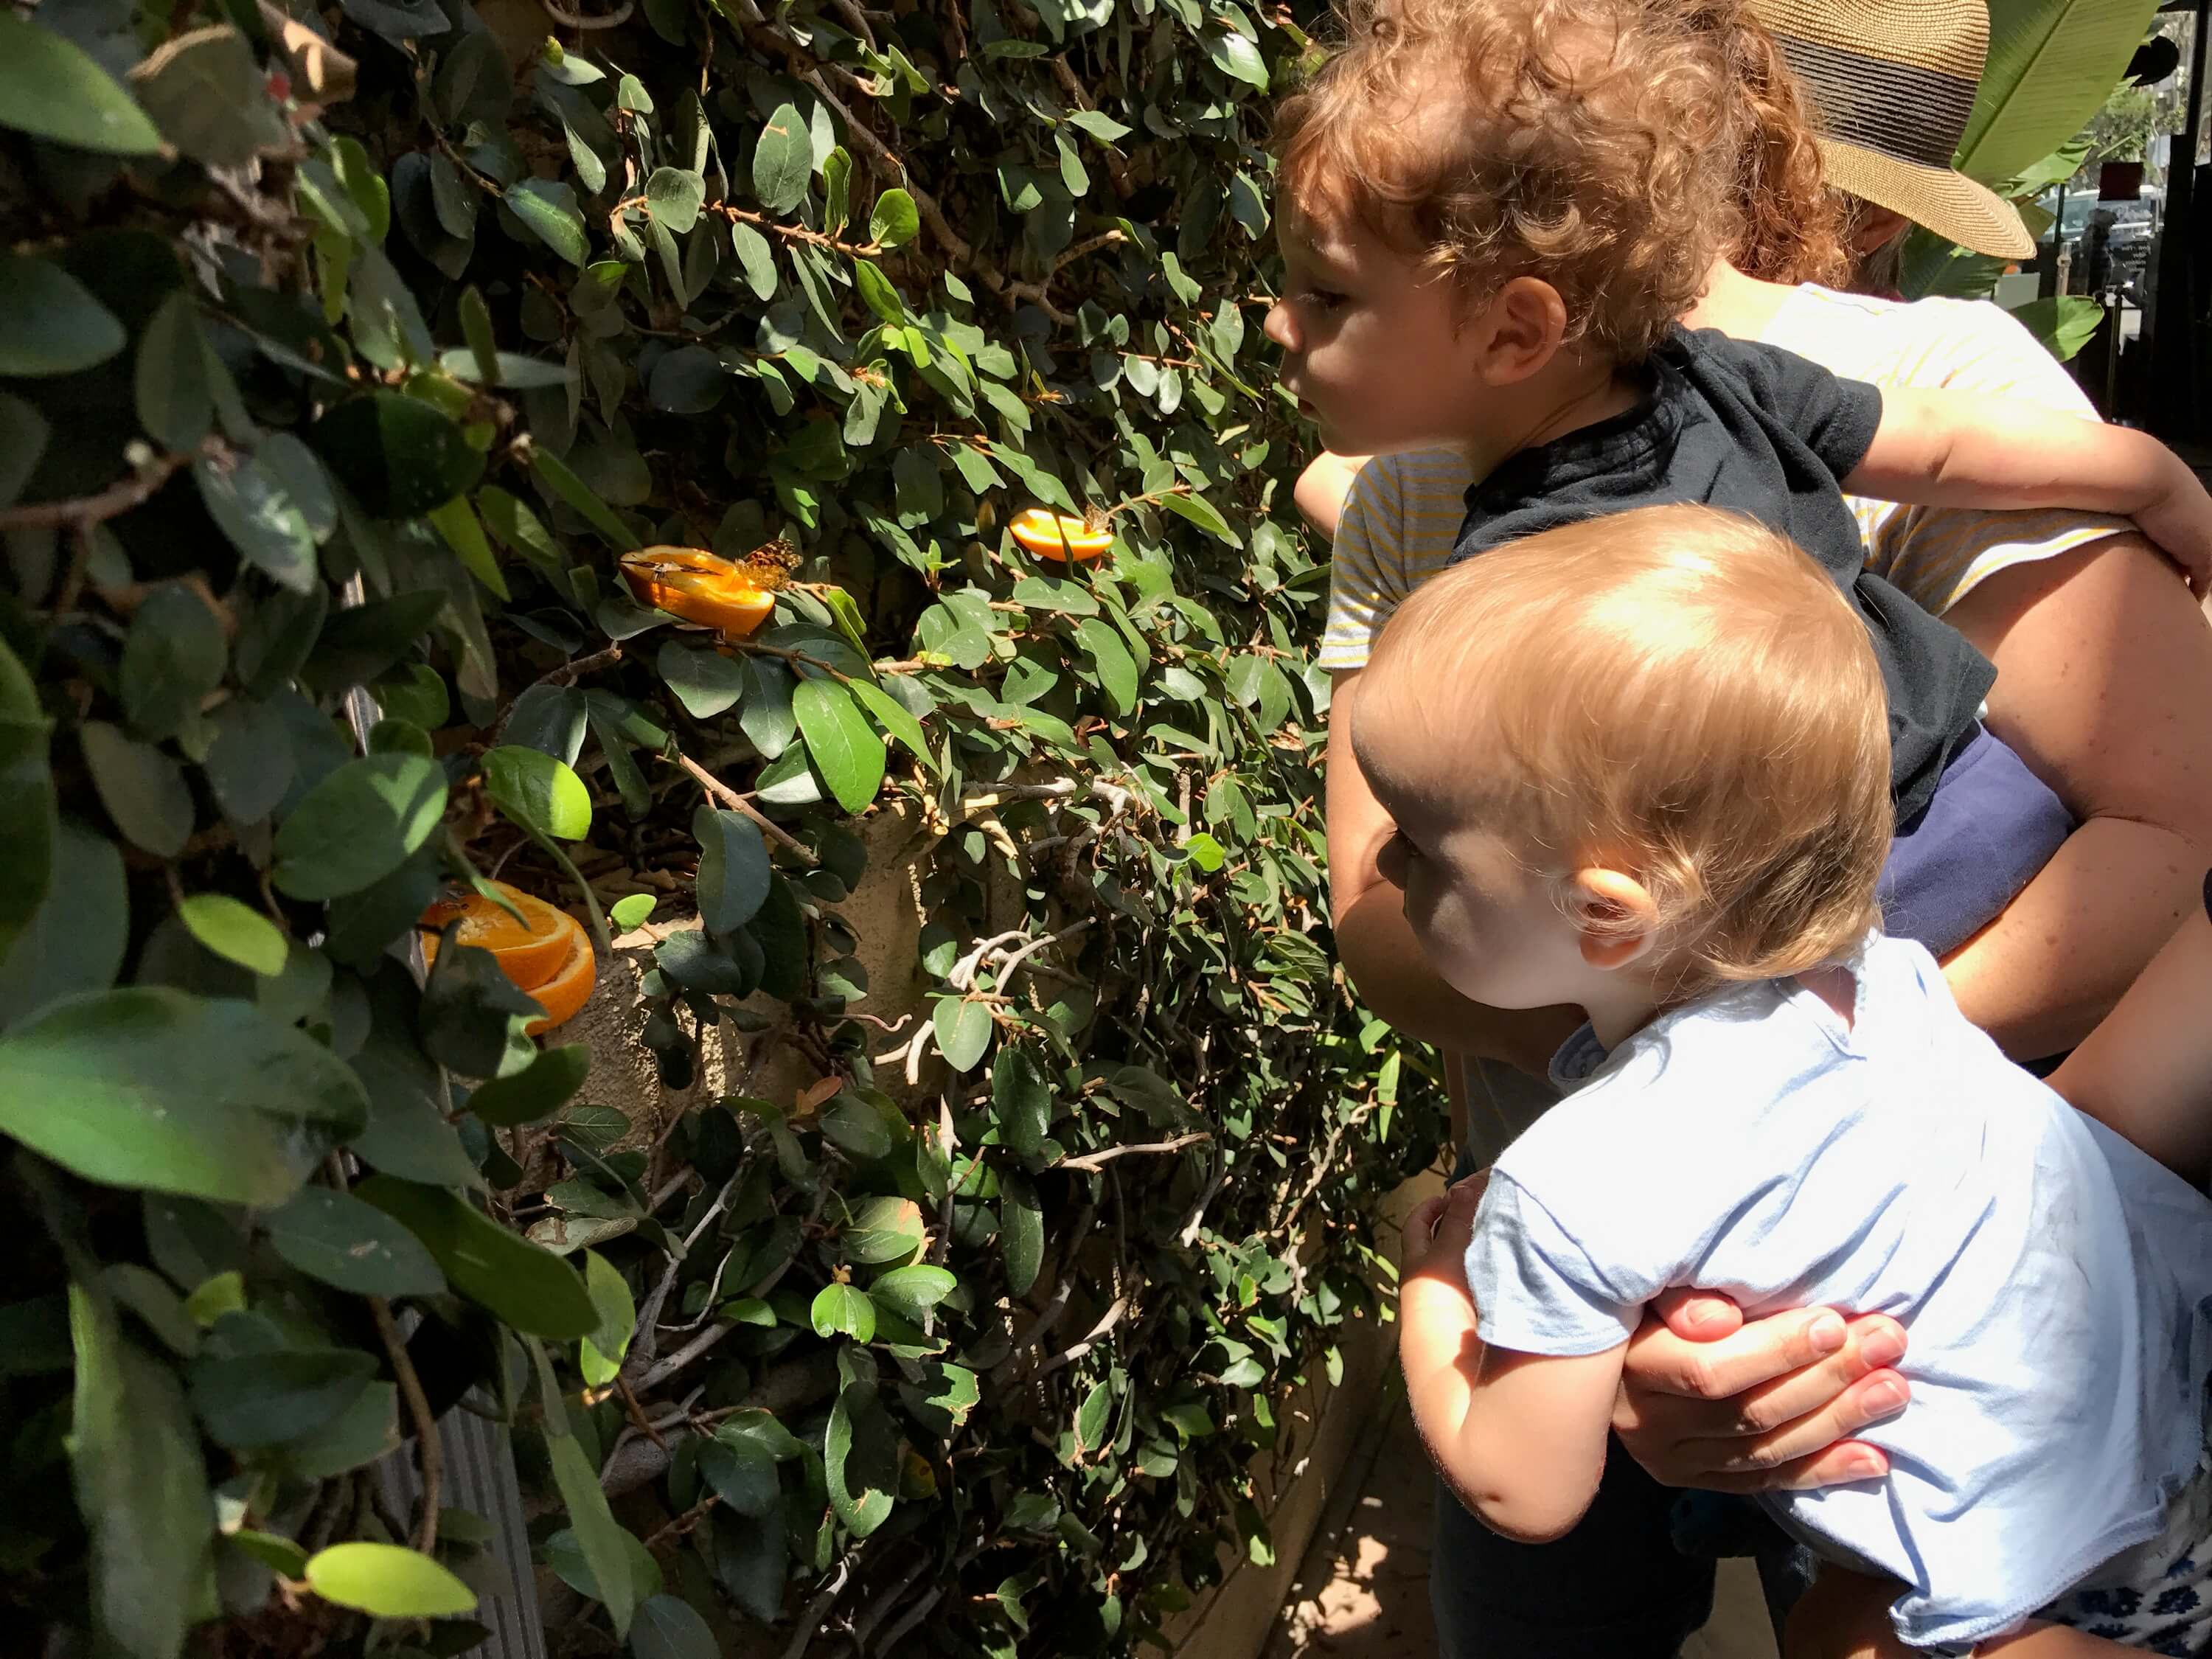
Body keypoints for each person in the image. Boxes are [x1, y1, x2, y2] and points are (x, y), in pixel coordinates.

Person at [1278, 0, 2212, 1652]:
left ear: (1518, 311)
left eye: (1328, 293)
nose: (1282, 331)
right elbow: (1382, 907)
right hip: (1610, 1229)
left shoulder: (1908, 370)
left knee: (1871, 1604)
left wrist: (1751, 1124)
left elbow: (2173, 836)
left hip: (1856, 1285)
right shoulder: (1462, 467)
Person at [1372, 503, 2212, 1656]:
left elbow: (1527, 1488)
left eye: (1420, 840)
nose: (1381, 860)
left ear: (1604, 913)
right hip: (2172, 1420)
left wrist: (1436, 1285)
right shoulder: (1880, 986)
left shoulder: (1566, 1184)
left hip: (2020, 1575)